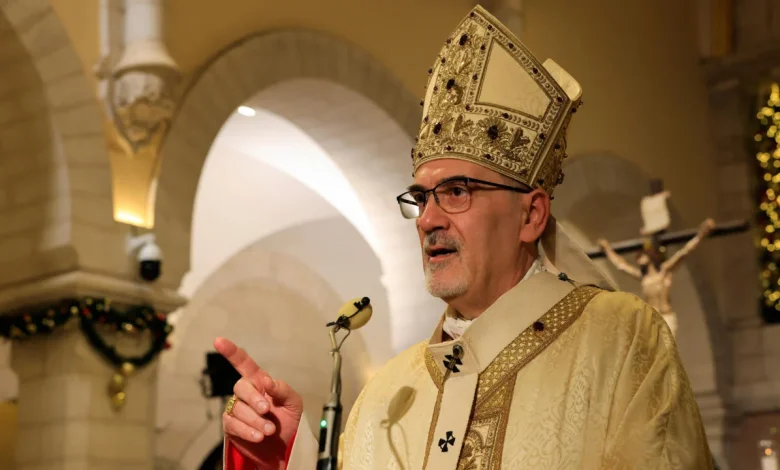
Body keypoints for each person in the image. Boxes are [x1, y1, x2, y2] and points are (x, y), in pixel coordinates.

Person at [216, 5, 713, 469]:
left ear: (531, 215)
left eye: (457, 191)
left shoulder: (622, 342)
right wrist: (288, 456)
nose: (428, 219)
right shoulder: (387, 395)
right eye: (421, 197)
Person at [597, 217, 716, 337]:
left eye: (642, 256)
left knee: (666, 348)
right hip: (651, 319)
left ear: (649, 256)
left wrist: (701, 234)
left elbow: (684, 252)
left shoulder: (663, 271)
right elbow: (621, 266)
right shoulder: (643, 277)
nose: (639, 259)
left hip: (666, 317)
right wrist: (608, 250)